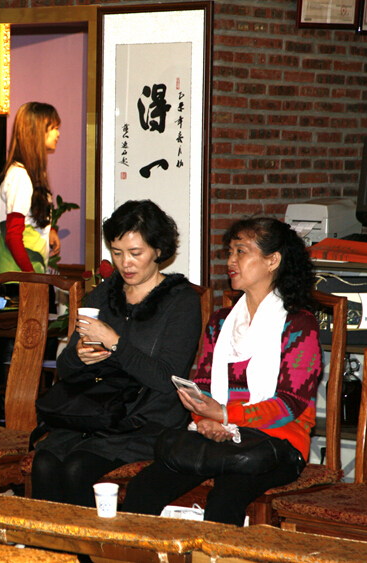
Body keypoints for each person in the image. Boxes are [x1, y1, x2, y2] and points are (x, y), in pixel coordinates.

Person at [122, 217, 322, 526]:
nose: (230, 261)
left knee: (225, 497)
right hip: (218, 434)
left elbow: (289, 404)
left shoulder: (299, 325)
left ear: (272, 260)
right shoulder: (221, 321)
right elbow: (202, 384)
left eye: (241, 251)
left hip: (278, 442)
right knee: (143, 488)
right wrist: (206, 419)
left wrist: (226, 415)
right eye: (229, 252)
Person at [30, 199, 201, 507]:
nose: (125, 264)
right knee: (44, 462)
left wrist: (115, 344)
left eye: (136, 253)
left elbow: (166, 379)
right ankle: (50, 540)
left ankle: (88, 541)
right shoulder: (104, 294)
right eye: (117, 252)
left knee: (77, 468)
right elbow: (66, 369)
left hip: (148, 421)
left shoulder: (181, 301)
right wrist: (79, 356)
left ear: (158, 250)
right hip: (97, 414)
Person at [0, 102, 62, 274]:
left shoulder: (30, 174)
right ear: (37, 131)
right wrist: (32, 277)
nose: (58, 133)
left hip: (26, 277)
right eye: (54, 128)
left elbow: (28, 220)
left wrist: (49, 231)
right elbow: (13, 235)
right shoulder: (20, 175)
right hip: (17, 278)